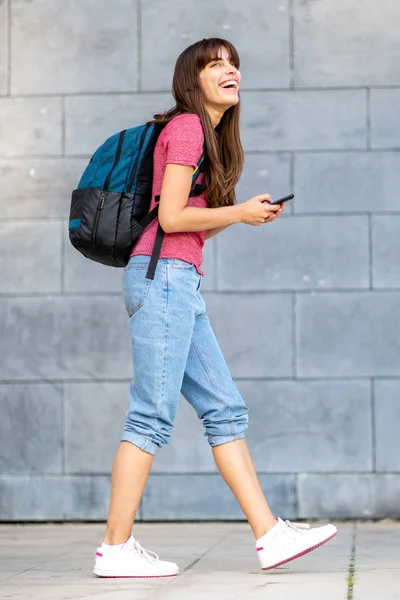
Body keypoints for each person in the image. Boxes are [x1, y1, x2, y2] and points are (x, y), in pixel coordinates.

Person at [93, 38, 337, 578]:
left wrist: (239, 214)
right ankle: (115, 548)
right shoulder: (185, 129)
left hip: (178, 282)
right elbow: (173, 218)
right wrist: (238, 213)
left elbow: (183, 223)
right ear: (193, 78)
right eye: (215, 64)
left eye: (234, 63)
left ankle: (269, 535)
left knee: (225, 409)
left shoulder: (206, 134)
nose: (230, 71)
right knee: (151, 415)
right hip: (162, 281)